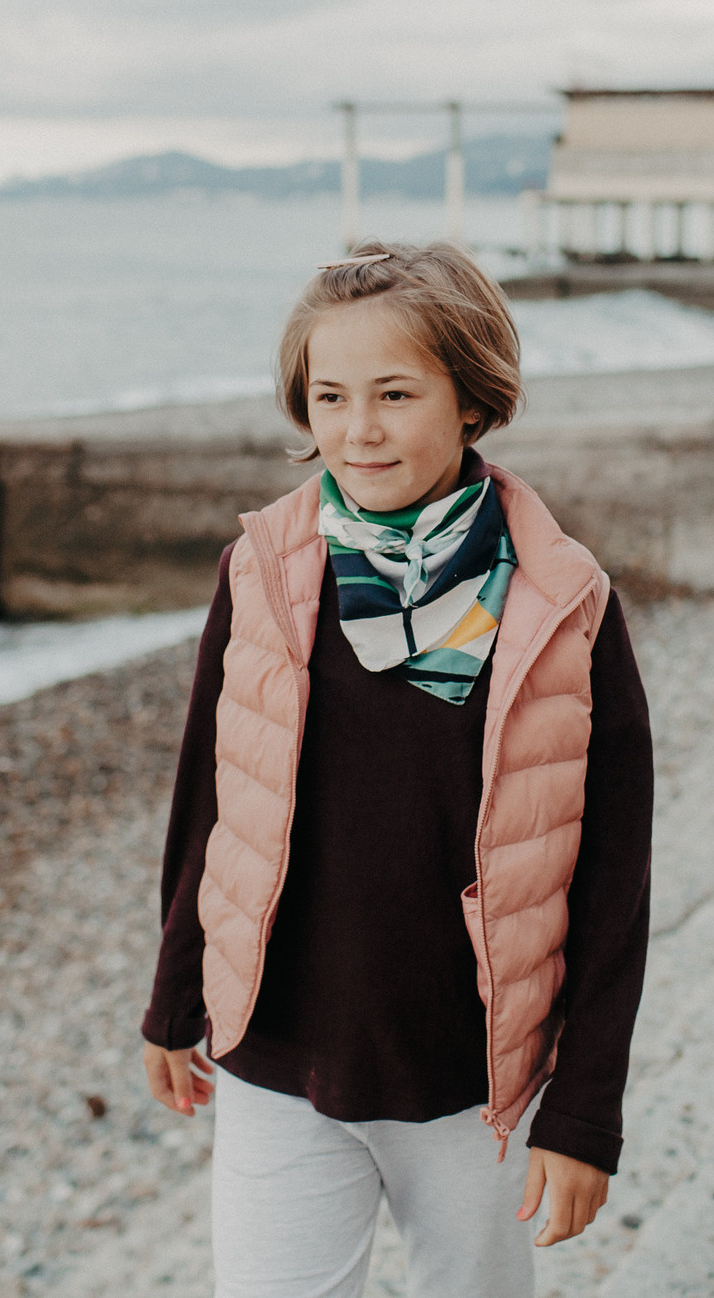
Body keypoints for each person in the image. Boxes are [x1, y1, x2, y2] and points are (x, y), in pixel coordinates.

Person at [138, 240, 654, 1298]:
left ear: (471, 399)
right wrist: (172, 997)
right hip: (277, 1051)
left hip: (473, 1072)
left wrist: (585, 1111)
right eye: (329, 396)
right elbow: (209, 798)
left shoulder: (562, 599)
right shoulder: (265, 570)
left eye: (393, 393)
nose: (357, 429)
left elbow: (611, 874)